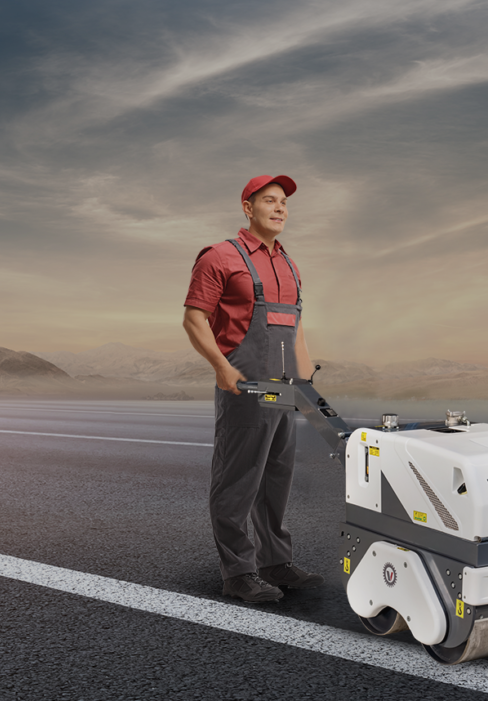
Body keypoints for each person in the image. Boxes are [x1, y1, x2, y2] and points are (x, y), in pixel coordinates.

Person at [183, 174, 325, 603]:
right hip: (245, 383)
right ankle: (238, 572)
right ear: (247, 207)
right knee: (238, 479)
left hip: (283, 387)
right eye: (269, 200)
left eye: (284, 202)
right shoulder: (220, 256)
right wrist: (223, 370)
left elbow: (296, 329)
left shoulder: (288, 263)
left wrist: (306, 386)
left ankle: (275, 561)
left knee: (276, 476)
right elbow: (194, 319)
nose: (280, 208)